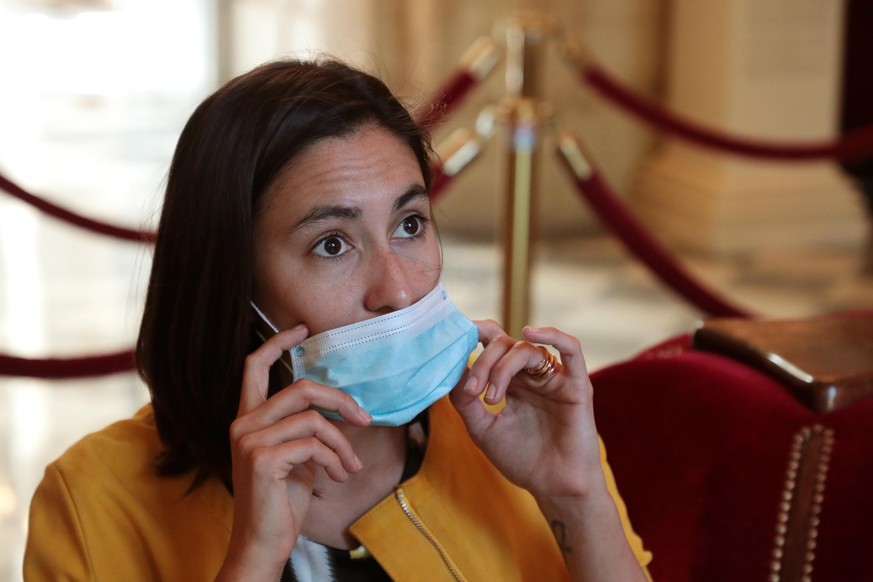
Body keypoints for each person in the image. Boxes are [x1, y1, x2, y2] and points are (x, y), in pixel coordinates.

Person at [24, 58, 652, 581]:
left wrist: (576, 496)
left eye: (410, 225)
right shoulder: (92, 498)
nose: (399, 291)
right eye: (332, 244)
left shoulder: (509, 435)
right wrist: (253, 559)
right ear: (232, 280)